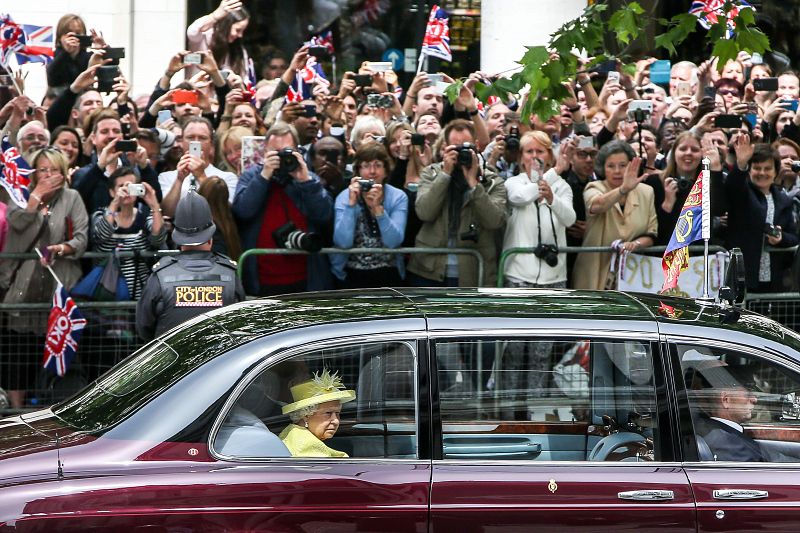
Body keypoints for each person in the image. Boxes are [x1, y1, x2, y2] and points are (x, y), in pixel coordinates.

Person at [0, 148, 88, 408]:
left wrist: (61, 249)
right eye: (43, 169)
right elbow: (17, 224)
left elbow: (82, 238)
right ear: (34, 172)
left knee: (57, 353)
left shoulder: (72, 197)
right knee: (19, 355)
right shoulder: (20, 196)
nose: (49, 175)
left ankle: (55, 411)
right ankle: (16, 414)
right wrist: (35, 197)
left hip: (58, 289)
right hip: (22, 289)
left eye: (55, 170)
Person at [232, 122, 334, 296]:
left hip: (305, 279)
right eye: (275, 152)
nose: (281, 158)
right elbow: (243, 212)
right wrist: (264, 176)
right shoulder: (252, 176)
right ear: (265, 152)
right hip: (262, 280)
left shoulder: (308, 178)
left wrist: (305, 181)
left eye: (286, 152)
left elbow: (324, 215)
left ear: (298, 151)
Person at [407, 119, 507, 287]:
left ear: (476, 146)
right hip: (428, 270)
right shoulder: (431, 174)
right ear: (445, 147)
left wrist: (474, 184)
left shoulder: (492, 181)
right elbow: (424, 212)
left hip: (473, 273)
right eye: (455, 148)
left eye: (465, 148)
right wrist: (445, 174)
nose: (461, 154)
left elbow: (494, 221)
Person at [136, 190, 245, 341]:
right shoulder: (229, 274)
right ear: (210, 237)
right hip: (218, 362)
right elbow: (239, 325)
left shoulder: (161, 275)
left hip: (172, 361)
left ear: (178, 237)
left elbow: (144, 327)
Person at [572, 140, 657, 290]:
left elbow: (651, 233)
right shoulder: (593, 187)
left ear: (632, 165)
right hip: (595, 271)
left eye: (623, 165)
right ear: (603, 168)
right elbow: (597, 205)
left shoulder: (646, 191)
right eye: (611, 166)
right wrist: (623, 189)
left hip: (632, 274)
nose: (617, 171)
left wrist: (635, 244)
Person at [724, 134, 798, 291]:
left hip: (774, 277)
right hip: (743, 276)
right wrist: (741, 164)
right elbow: (732, 187)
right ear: (750, 170)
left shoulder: (784, 200)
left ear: (776, 171)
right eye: (757, 168)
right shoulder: (743, 192)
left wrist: (780, 238)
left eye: (767, 168)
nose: (762, 173)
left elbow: (793, 237)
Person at [502, 132, 575, 288]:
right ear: (521, 158)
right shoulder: (513, 182)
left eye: (540, 151)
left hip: (555, 276)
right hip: (518, 275)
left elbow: (570, 220)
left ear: (549, 156)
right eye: (529, 151)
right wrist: (556, 171)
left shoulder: (562, 186)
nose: (535, 156)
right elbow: (521, 197)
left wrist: (552, 199)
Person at [331, 144, 408, 287]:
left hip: (388, 271)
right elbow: (343, 243)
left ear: (386, 171)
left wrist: (378, 209)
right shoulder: (344, 197)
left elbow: (394, 242)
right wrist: (351, 205)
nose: (372, 171)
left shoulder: (398, 196)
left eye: (378, 165)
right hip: (352, 271)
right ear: (358, 171)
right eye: (366, 166)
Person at [91, 167, 166, 299]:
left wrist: (154, 205)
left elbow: (158, 239)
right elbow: (101, 235)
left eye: (131, 186)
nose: (126, 190)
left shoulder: (145, 215)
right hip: (106, 294)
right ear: (112, 191)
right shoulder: (100, 214)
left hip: (139, 295)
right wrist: (115, 203)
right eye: (121, 186)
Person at [279, 369, 356, 458]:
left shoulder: (292, 431)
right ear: (306, 415)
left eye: (338, 413)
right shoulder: (308, 447)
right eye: (328, 413)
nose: (336, 421)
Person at [187, 0, 251, 79]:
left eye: (243, 31)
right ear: (226, 25)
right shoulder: (204, 36)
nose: (240, 35)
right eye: (238, 30)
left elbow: (245, 79)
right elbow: (192, 31)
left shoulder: (239, 51)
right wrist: (215, 16)